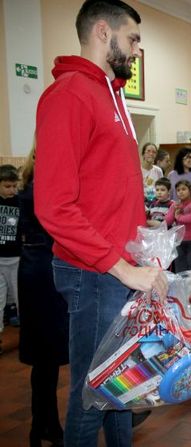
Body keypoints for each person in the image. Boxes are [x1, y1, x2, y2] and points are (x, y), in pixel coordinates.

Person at [34, 2, 167, 445]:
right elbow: (54, 206)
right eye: (132, 39)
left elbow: (115, 194)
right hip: (92, 272)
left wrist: (146, 259)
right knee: (93, 394)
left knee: (121, 389)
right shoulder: (69, 94)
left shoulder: (112, 93)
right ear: (103, 32)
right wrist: (124, 268)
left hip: (118, 268)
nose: (136, 50)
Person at [18, 148, 69, 447]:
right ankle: (46, 426)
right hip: (42, 274)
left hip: (33, 269)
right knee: (46, 357)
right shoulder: (39, 192)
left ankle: (43, 425)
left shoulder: (29, 188)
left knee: (44, 361)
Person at [0, 165, 20, 345]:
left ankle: (27, 335)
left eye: (14, 186)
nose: (12, 190)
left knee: (20, 298)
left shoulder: (19, 201)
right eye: (7, 186)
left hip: (16, 258)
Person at [165, 180, 191, 272]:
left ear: (190, 190)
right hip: (179, 241)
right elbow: (168, 221)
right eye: (178, 190)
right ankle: (180, 285)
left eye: (183, 189)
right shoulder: (175, 204)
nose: (181, 192)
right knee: (180, 268)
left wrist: (178, 216)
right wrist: (174, 210)